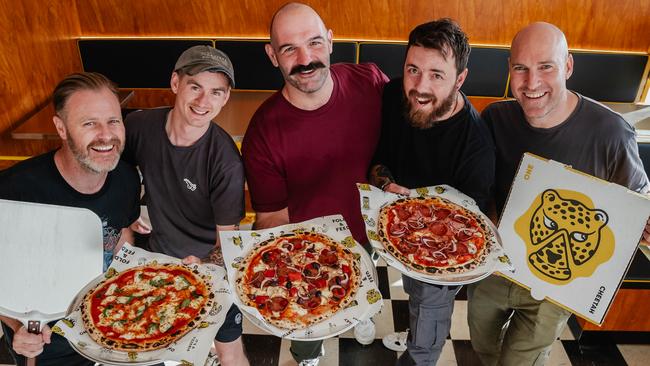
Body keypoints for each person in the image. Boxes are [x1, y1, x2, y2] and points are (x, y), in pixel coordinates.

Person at [467, 22, 650, 366]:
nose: (531, 83)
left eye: (546, 66)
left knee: (519, 361)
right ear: (509, 68)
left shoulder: (611, 133)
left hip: (557, 288)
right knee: (484, 347)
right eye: (521, 68)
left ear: (568, 66)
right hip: (496, 269)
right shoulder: (495, 118)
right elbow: (480, 188)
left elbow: (638, 209)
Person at [241, 2, 388, 365]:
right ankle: (308, 355)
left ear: (331, 41)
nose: (305, 59)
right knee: (306, 329)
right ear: (272, 55)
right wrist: (290, 273)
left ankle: (364, 318)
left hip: (367, 232)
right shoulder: (262, 132)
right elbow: (273, 217)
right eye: (289, 49)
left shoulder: (369, 80)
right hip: (304, 248)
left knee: (365, 290)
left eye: (314, 43)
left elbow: (404, 137)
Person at [369, 19, 495, 366]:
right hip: (392, 223)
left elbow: (469, 236)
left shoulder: (475, 146)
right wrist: (385, 184)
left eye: (437, 75)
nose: (420, 86)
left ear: (460, 79)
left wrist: (427, 231)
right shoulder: (395, 94)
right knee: (411, 291)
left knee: (427, 312)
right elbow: (379, 156)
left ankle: (419, 349)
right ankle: (412, 330)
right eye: (413, 70)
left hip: (441, 256)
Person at [0, 72, 141, 366]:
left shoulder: (126, 178)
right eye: (89, 123)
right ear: (61, 128)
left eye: (113, 121)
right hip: (48, 339)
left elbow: (121, 234)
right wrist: (15, 326)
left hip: (110, 326)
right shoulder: (14, 190)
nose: (106, 135)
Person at [123, 45, 248, 366]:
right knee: (151, 346)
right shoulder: (139, 126)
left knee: (230, 351)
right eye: (196, 87)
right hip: (156, 258)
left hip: (209, 268)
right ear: (175, 83)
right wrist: (129, 210)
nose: (204, 102)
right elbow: (114, 174)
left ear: (225, 98)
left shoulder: (225, 162)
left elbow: (227, 242)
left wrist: (205, 265)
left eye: (216, 92)